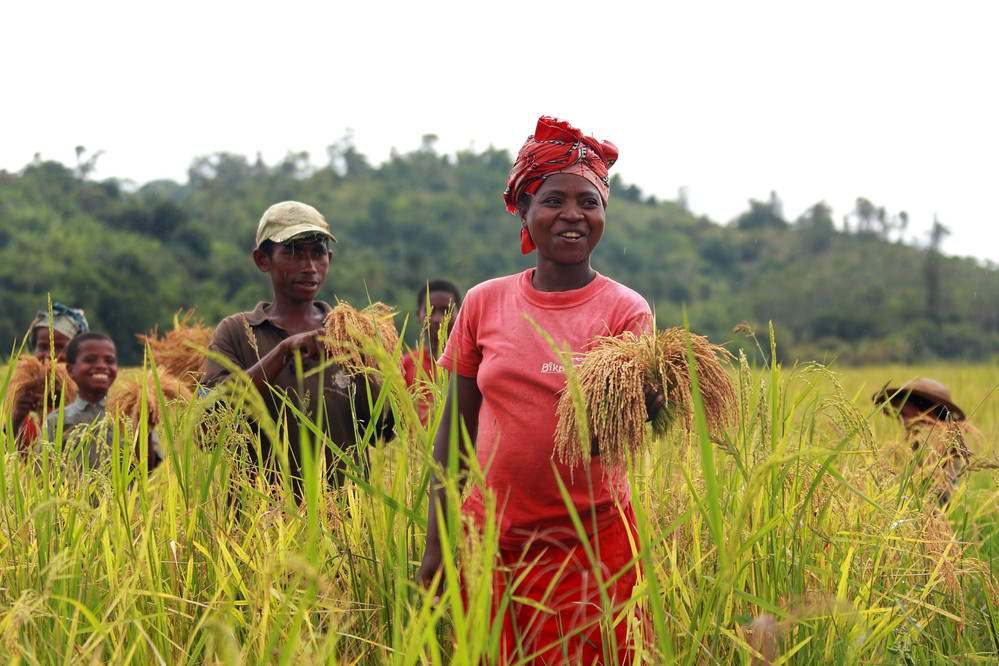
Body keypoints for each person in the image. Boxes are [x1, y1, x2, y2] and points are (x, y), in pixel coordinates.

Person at [417, 116, 664, 664]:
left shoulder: (627, 310)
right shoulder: (484, 303)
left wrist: (649, 406)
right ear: (524, 210)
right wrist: (437, 545)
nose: (573, 214)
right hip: (494, 544)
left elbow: (613, 438)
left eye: (590, 201)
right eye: (554, 199)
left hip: (594, 542)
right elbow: (453, 432)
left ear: (604, 215)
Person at [203, 201, 394, 496]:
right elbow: (211, 421)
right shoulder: (237, 332)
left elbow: (381, 432)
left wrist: (359, 365)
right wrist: (282, 352)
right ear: (262, 260)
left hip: (344, 523)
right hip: (259, 518)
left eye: (317, 253)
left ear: (328, 258)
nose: (309, 267)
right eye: (292, 252)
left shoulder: (352, 333)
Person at [44, 332, 162, 473]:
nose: (101, 366)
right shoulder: (57, 420)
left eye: (109, 361)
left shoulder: (131, 415)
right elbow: (44, 475)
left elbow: (145, 471)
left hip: (123, 495)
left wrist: (146, 429)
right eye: (90, 360)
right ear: (70, 370)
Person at [874, 377, 973, 504]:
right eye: (898, 415)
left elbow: (930, 501)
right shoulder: (910, 446)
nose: (902, 421)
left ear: (930, 413)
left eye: (905, 414)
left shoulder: (946, 451)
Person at [11, 303, 89, 449]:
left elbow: (87, 448)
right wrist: (17, 418)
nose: (49, 355)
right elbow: (14, 455)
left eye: (60, 347)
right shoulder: (26, 389)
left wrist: (61, 405)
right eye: (42, 347)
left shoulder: (87, 391)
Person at [403, 279, 462, 426]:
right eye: (430, 311)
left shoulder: (470, 365)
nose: (438, 319)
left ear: (461, 314)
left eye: (446, 311)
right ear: (418, 315)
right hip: (414, 449)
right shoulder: (406, 363)